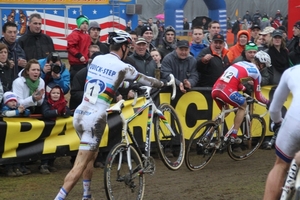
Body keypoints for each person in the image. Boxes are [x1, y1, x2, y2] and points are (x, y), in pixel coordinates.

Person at [54, 30, 164, 200]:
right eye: (128, 47)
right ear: (124, 47)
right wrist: (162, 83)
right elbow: (147, 81)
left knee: (92, 155)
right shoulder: (124, 66)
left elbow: (105, 78)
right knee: (79, 165)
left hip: (80, 113)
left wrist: (124, 82)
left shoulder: (97, 59)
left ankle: (87, 195)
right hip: (95, 118)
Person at [211, 51, 270, 143]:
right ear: (262, 65)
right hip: (227, 91)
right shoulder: (257, 73)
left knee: (225, 111)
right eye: (265, 66)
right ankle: (234, 135)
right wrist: (267, 102)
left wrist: (243, 88)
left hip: (215, 88)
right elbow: (258, 96)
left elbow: (235, 80)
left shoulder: (240, 63)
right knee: (243, 106)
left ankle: (208, 134)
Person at [263, 64, 300, 200]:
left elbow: (274, 109)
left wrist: (278, 123)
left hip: (294, 119)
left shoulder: (291, 71)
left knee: (280, 165)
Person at [1, 91, 32, 177]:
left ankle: (19, 166)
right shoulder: (4, 109)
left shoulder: (17, 108)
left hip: (18, 135)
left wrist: (23, 111)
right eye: (11, 101)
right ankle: (9, 168)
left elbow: (28, 112)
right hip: (8, 135)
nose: (13, 103)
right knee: (9, 151)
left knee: (19, 150)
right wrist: (18, 112)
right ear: (6, 102)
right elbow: (7, 114)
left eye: (14, 101)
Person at [67, 15, 91, 82]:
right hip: (76, 64)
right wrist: (79, 55)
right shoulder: (74, 35)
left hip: (85, 64)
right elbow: (70, 47)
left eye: (86, 23)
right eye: (82, 23)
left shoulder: (87, 36)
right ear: (78, 24)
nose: (85, 25)